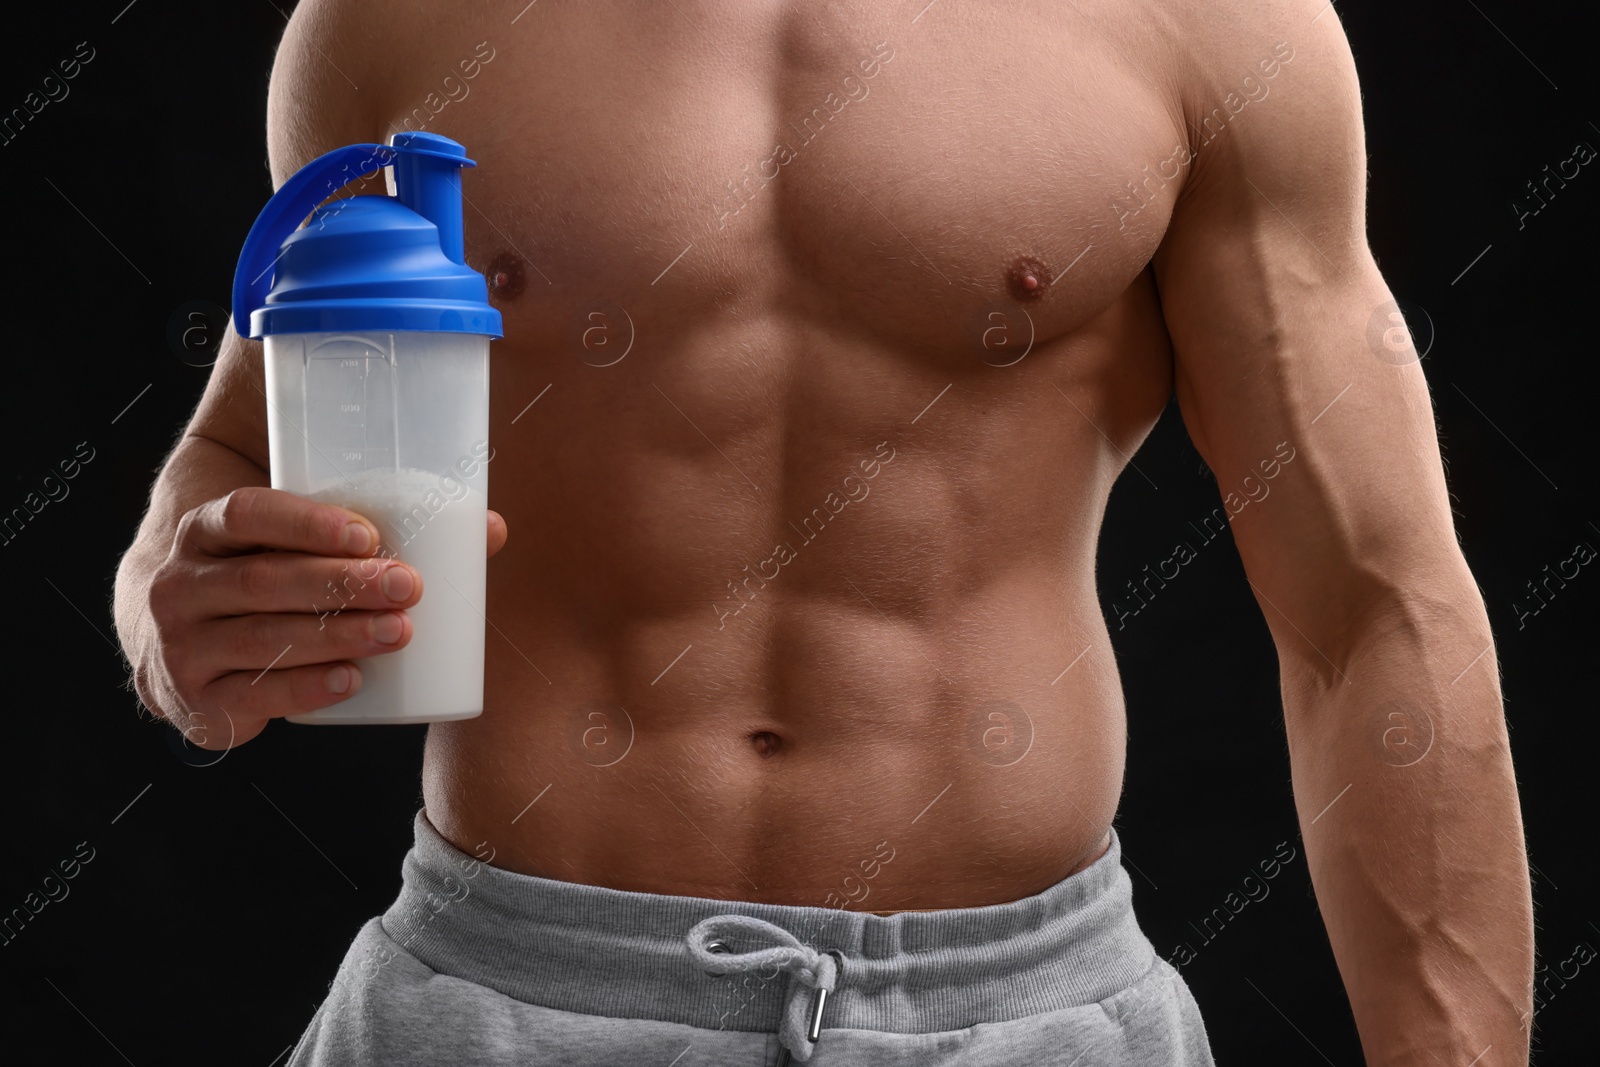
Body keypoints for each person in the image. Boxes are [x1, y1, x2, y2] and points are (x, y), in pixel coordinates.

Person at [112, 0, 1533, 1063]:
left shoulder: (1204, 25)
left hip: (1021, 1021)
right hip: (503, 1000)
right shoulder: (404, 18)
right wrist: (171, 621)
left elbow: (1374, 609)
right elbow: (242, 446)